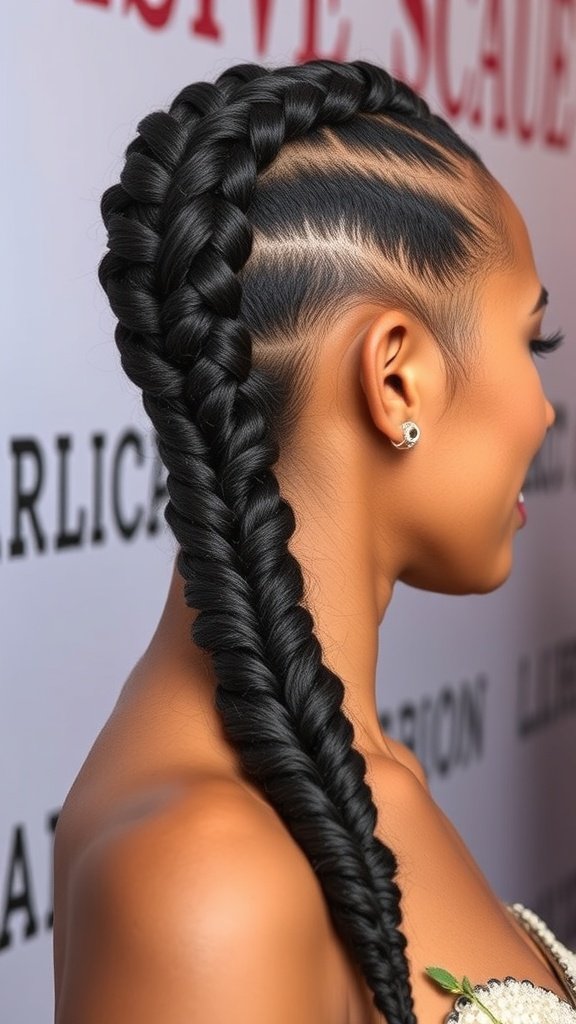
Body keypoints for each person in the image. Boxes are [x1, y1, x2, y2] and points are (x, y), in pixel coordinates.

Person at [52, 59, 573, 1024]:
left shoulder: (355, 776)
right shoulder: (207, 880)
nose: (546, 412)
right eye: (530, 342)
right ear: (398, 379)